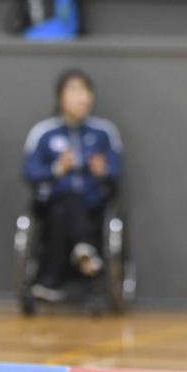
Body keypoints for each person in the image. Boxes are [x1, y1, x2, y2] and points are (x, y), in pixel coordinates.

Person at [22, 69, 122, 301]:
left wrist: (103, 171)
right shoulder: (43, 132)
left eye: (85, 91)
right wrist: (57, 168)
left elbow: (116, 170)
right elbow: (29, 171)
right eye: (73, 90)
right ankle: (83, 252)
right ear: (60, 97)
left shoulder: (104, 132)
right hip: (53, 205)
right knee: (65, 204)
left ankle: (55, 277)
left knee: (77, 202)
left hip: (93, 205)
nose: (81, 98)